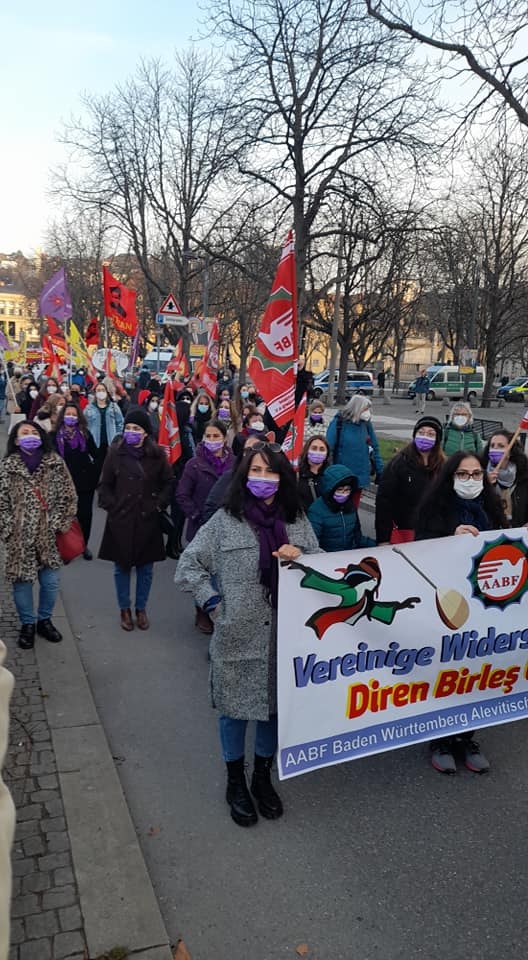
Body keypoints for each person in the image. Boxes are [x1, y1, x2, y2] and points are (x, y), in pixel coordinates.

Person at [176, 445, 321, 827]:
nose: (262, 477)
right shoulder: (226, 520)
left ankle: (261, 777)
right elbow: (188, 565)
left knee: (273, 710)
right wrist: (214, 605)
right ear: (244, 475)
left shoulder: (297, 518)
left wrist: (301, 558)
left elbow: (319, 565)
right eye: (255, 470)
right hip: (237, 635)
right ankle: (235, 780)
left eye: (270, 471)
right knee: (233, 711)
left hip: (284, 635)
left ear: (282, 477)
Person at [415, 451, 507, 774]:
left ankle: (466, 737)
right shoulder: (434, 509)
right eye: (463, 474)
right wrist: (449, 539)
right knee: (447, 675)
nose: (471, 480)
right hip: (448, 609)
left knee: (474, 676)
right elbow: (420, 549)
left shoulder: (492, 509)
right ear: (450, 476)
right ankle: (440, 739)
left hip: (484, 606)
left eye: (477, 474)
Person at [0, 420, 77, 650]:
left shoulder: (55, 463)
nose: (30, 435)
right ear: (16, 440)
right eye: (25, 432)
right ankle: (28, 624)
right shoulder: (8, 466)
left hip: (49, 536)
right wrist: (8, 528)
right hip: (19, 538)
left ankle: (44, 620)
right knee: (22, 583)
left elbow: (69, 497)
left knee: (51, 582)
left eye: (34, 432)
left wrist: (59, 524)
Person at [98, 408, 173, 631]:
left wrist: (158, 504)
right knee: (121, 567)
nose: (131, 432)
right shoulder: (115, 453)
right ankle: (124, 609)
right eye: (128, 428)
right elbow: (104, 484)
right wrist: (112, 506)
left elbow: (169, 482)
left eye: (136, 428)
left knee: (145, 569)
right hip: (120, 518)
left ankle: (141, 609)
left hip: (146, 518)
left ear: (145, 433)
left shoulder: (157, 455)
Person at [176, 420, 234, 633]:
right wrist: (196, 516)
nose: (212, 441)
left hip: (229, 529)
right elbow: (182, 494)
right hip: (201, 528)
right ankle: (202, 611)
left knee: (224, 574)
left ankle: (223, 612)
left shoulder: (235, 463)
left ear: (224, 438)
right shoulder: (194, 464)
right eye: (208, 436)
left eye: (216, 436)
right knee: (204, 574)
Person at [375, 416, 445, 544]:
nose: (425, 437)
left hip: (433, 532)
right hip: (404, 531)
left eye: (431, 434)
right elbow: (383, 502)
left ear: (437, 439)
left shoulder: (442, 466)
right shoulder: (398, 464)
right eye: (421, 432)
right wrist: (383, 538)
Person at [52, 403, 99, 560]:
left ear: (78, 417)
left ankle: (83, 546)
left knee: (85, 516)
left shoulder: (85, 434)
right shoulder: (53, 435)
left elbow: (96, 455)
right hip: (62, 482)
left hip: (84, 482)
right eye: (68, 413)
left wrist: (94, 475)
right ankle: (64, 547)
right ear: (62, 416)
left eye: (74, 414)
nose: (71, 417)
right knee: (64, 515)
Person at [326, 396, 383, 505]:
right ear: (357, 408)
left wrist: (380, 471)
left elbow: (375, 447)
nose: (367, 412)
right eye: (365, 409)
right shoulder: (339, 423)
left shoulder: (365, 424)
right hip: (341, 476)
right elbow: (329, 448)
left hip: (360, 477)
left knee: (353, 508)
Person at [307, 464, 375, 552]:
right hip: (327, 557)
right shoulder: (316, 510)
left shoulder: (350, 506)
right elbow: (313, 544)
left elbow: (357, 537)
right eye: (340, 490)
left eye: (347, 490)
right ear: (330, 490)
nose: (343, 493)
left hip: (349, 555)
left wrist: (378, 545)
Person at [483, 429, 528, 527]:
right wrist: (485, 485)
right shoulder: (480, 473)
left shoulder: (524, 476)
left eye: (501, 446)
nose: (495, 449)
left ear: (511, 451)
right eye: (492, 445)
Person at [85, 381, 125, 477]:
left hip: (110, 443)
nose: (101, 392)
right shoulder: (89, 408)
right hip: (95, 444)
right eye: (98, 390)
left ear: (107, 392)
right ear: (95, 393)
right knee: (97, 470)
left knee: (111, 469)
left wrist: (118, 436)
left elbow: (120, 423)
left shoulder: (114, 407)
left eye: (103, 390)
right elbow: (84, 424)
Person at [297, 436, 331, 512]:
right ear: (307, 450)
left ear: (327, 453)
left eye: (322, 449)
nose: (318, 452)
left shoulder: (331, 476)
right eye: (314, 448)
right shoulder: (297, 476)